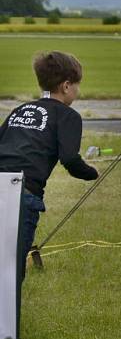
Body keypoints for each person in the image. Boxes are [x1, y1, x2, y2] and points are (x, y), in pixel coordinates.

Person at [0, 51, 99, 285]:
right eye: (77, 85)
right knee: (11, 268)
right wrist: (93, 172)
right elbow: (70, 160)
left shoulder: (20, 110)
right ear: (66, 86)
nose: (78, 91)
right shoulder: (68, 116)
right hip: (23, 193)